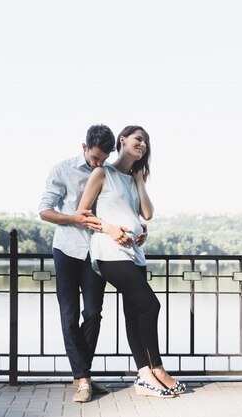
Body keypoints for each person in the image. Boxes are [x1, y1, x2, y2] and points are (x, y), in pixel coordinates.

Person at [39, 124, 145, 403]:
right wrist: (73, 218)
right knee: (69, 313)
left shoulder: (110, 173)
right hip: (67, 248)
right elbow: (45, 211)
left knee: (94, 313)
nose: (99, 163)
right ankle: (84, 377)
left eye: (104, 158)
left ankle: (81, 375)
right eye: (95, 157)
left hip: (97, 251)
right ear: (84, 147)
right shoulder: (61, 169)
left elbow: (121, 208)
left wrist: (135, 228)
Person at [77, 125, 186, 398]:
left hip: (134, 253)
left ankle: (144, 376)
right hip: (109, 252)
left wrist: (139, 180)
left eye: (146, 142)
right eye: (138, 139)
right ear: (122, 140)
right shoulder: (102, 173)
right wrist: (110, 228)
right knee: (151, 304)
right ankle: (157, 368)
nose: (143, 145)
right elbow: (82, 212)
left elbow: (146, 213)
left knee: (134, 313)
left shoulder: (134, 178)